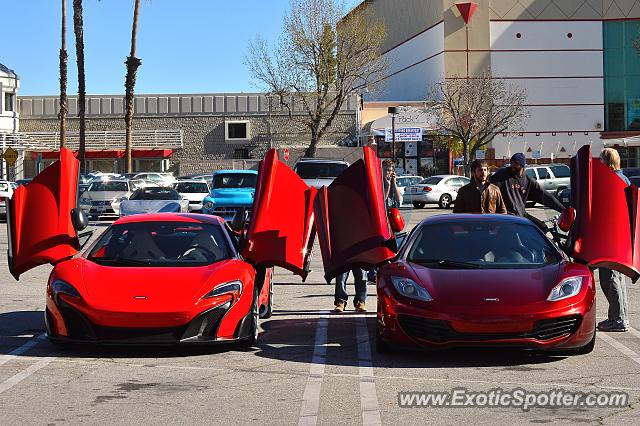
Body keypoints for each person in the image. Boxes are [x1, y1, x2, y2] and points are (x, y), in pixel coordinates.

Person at [597, 148, 630, 332]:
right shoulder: (623, 179)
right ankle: (620, 318)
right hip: (620, 236)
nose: (599, 163)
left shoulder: (612, 181)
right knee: (618, 277)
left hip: (610, 236)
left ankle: (617, 320)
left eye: (601, 160)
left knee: (609, 278)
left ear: (607, 161)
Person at [489, 152, 565, 216]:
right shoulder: (502, 175)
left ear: (522, 165)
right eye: (511, 162)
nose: (512, 165)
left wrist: (563, 210)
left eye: (515, 163)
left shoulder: (528, 181)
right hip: (506, 217)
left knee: (541, 228)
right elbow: (488, 187)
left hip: (521, 214)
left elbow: (546, 197)